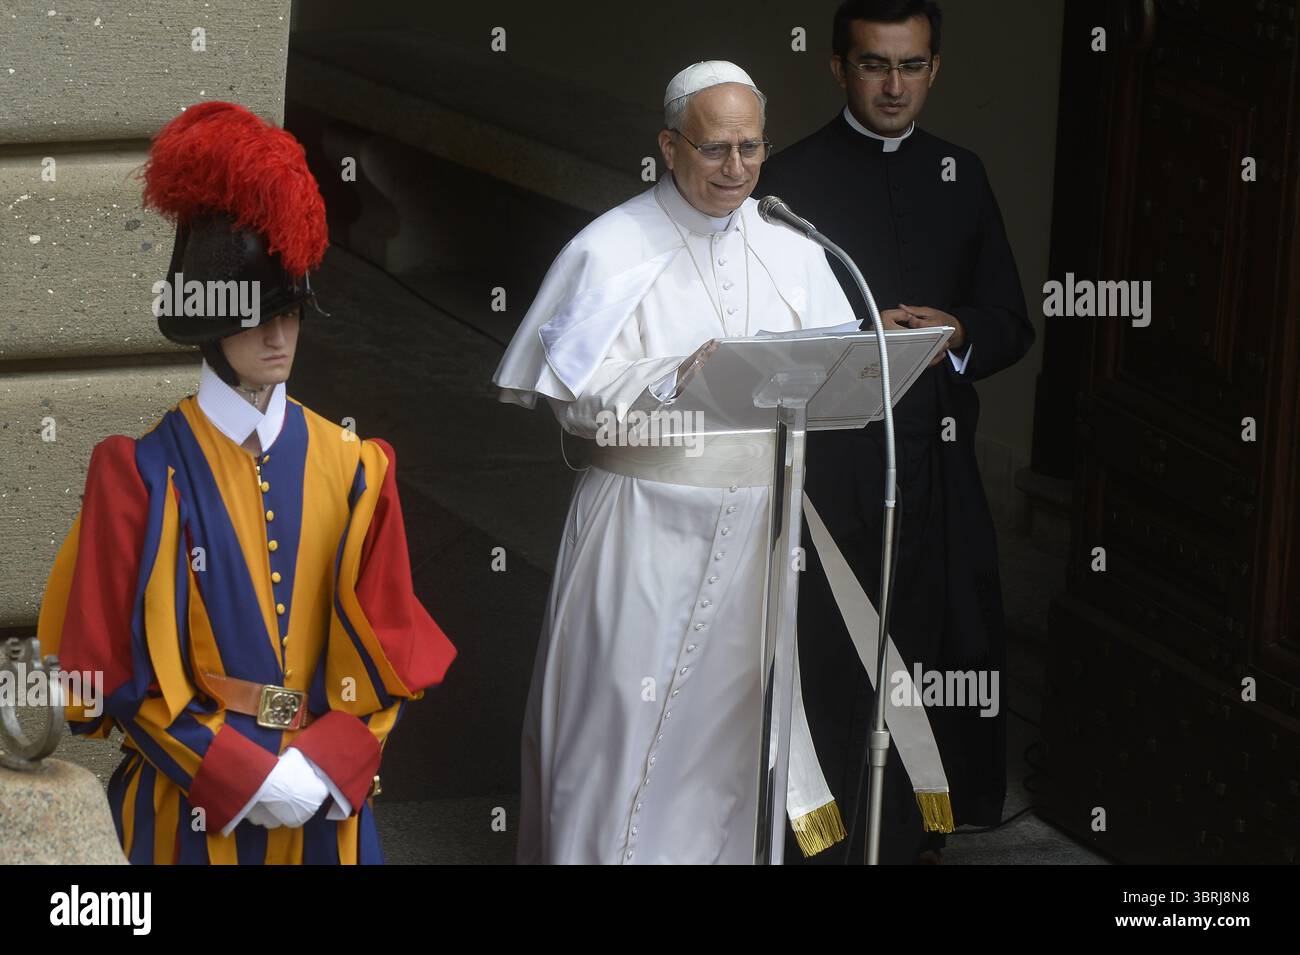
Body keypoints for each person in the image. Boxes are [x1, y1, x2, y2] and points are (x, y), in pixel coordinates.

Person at [37, 101, 456, 864]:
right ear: (207, 322)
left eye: (292, 312)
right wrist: (242, 775)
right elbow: (117, 675)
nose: (279, 335)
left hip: (328, 810)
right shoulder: (139, 475)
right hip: (186, 817)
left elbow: (386, 658)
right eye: (260, 314)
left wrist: (321, 763)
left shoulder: (360, 468)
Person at [494, 61, 858, 864]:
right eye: (715, 149)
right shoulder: (611, 248)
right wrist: (670, 377)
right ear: (668, 145)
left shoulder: (794, 249)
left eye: (752, 148)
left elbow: (835, 376)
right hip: (640, 530)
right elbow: (574, 401)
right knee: (611, 736)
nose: (736, 169)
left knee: (719, 750)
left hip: (752, 543)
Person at [761, 0, 1034, 864]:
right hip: (832, 464)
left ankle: (919, 836)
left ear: (934, 70)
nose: (893, 84)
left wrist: (957, 332)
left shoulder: (963, 171)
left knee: (937, 640)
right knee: (832, 649)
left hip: (936, 463)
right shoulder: (789, 179)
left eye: (911, 65)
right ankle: (824, 839)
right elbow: (758, 329)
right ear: (839, 67)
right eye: (875, 64)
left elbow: (1009, 319)